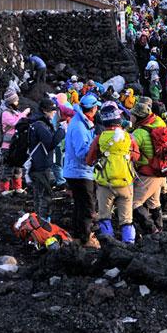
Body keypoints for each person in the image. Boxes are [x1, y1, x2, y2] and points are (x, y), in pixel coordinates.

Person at [85, 102, 140, 244]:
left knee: (104, 216)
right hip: (125, 182)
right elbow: (136, 156)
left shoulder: (99, 138)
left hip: (105, 184)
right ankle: (129, 244)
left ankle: (109, 244)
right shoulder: (129, 137)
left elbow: (89, 160)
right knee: (127, 219)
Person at [64, 93, 102, 249]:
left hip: (76, 171)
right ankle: (86, 239)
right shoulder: (80, 126)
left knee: (80, 206)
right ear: (93, 109)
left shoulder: (80, 122)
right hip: (80, 172)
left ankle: (78, 236)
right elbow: (82, 153)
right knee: (87, 206)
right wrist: (96, 147)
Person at [130, 99, 166, 235]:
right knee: (154, 202)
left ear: (138, 117)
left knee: (134, 203)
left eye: (132, 115)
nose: (130, 117)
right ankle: (160, 231)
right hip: (160, 172)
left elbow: (128, 149)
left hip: (148, 173)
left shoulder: (139, 133)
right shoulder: (158, 123)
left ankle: (152, 230)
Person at [27, 98, 66, 222]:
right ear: (44, 111)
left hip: (37, 164)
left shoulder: (36, 122)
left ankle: (38, 220)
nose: (54, 112)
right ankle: (42, 222)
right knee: (44, 195)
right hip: (40, 165)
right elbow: (50, 144)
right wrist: (61, 131)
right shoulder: (40, 125)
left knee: (39, 194)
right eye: (51, 110)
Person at [0, 89, 29, 195]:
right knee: (8, 168)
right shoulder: (5, 113)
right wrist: (24, 114)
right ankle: (4, 190)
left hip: (17, 145)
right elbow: (16, 123)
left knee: (18, 167)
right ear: (11, 102)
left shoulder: (16, 112)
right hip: (8, 146)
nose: (18, 102)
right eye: (16, 100)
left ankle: (17, 187)